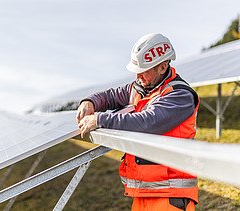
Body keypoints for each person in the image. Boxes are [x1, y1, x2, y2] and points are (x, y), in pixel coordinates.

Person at [76, 33, 199, 211]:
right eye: (136, 71)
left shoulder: (180, 95)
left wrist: (100, 119)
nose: (138, 76)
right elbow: (110, 96)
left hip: (171, 195)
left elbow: (148, 123)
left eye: (144, 70)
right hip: (145, 192)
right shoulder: (141, 87)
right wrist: (89, 102)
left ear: (162, 67)